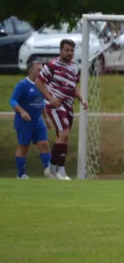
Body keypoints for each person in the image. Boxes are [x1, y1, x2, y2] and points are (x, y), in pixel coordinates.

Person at [35, 39, 88, 180]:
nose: (69, 53)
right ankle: (55, 171)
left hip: (68, 106)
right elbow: (38, 82)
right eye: (66, 50)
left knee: (63, 137)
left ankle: (57, 170)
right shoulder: (52, 65)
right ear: (60, 50)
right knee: (64, 134)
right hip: (55, 106)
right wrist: (51, 98)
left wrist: (82, 99)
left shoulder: (74, 67)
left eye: (72, 50)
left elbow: (74, 87)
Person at [11, 60, 53, 179]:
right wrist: (22, 111)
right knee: (23, 147)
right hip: (24, 122)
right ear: (31, 70)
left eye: (42, 70)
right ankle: (21, 175)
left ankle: (50, 172)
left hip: (38, 121)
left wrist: (46, 118)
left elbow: (41, 103)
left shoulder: (41, 85)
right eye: (39, 70)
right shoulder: (22, 85)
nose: (41, 72)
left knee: (44, 144)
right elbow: (12, 101)